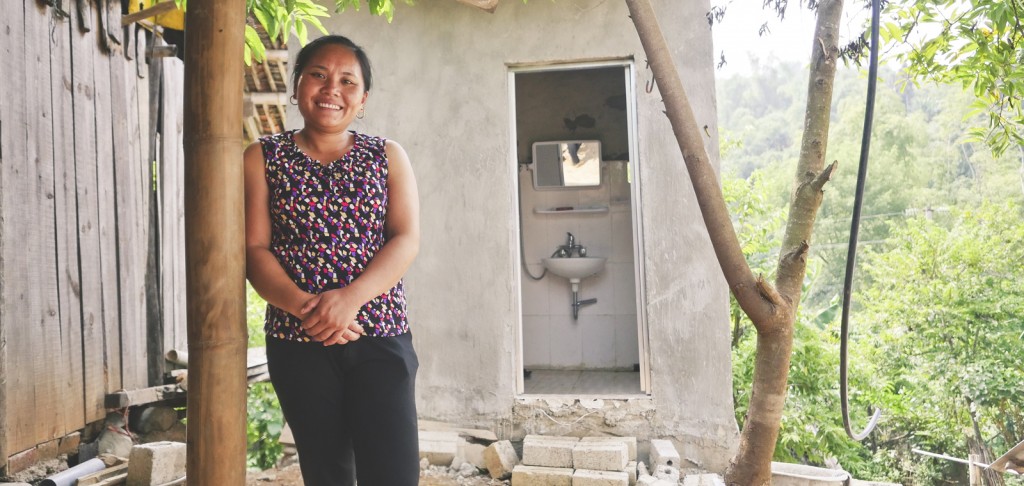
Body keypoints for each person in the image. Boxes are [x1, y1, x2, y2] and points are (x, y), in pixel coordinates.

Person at [243, 34, 421, 486]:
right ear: (298, 84)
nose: (331, 89)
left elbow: (405, 239)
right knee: (326, 474)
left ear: (363, 99)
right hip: (297, 338)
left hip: (378, 332)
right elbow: (254, 249)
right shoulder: (262, 157)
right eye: (318, 75)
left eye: (347, 81)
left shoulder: (387, 156)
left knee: (394, 473)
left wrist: (349, 301)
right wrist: (311, 309)